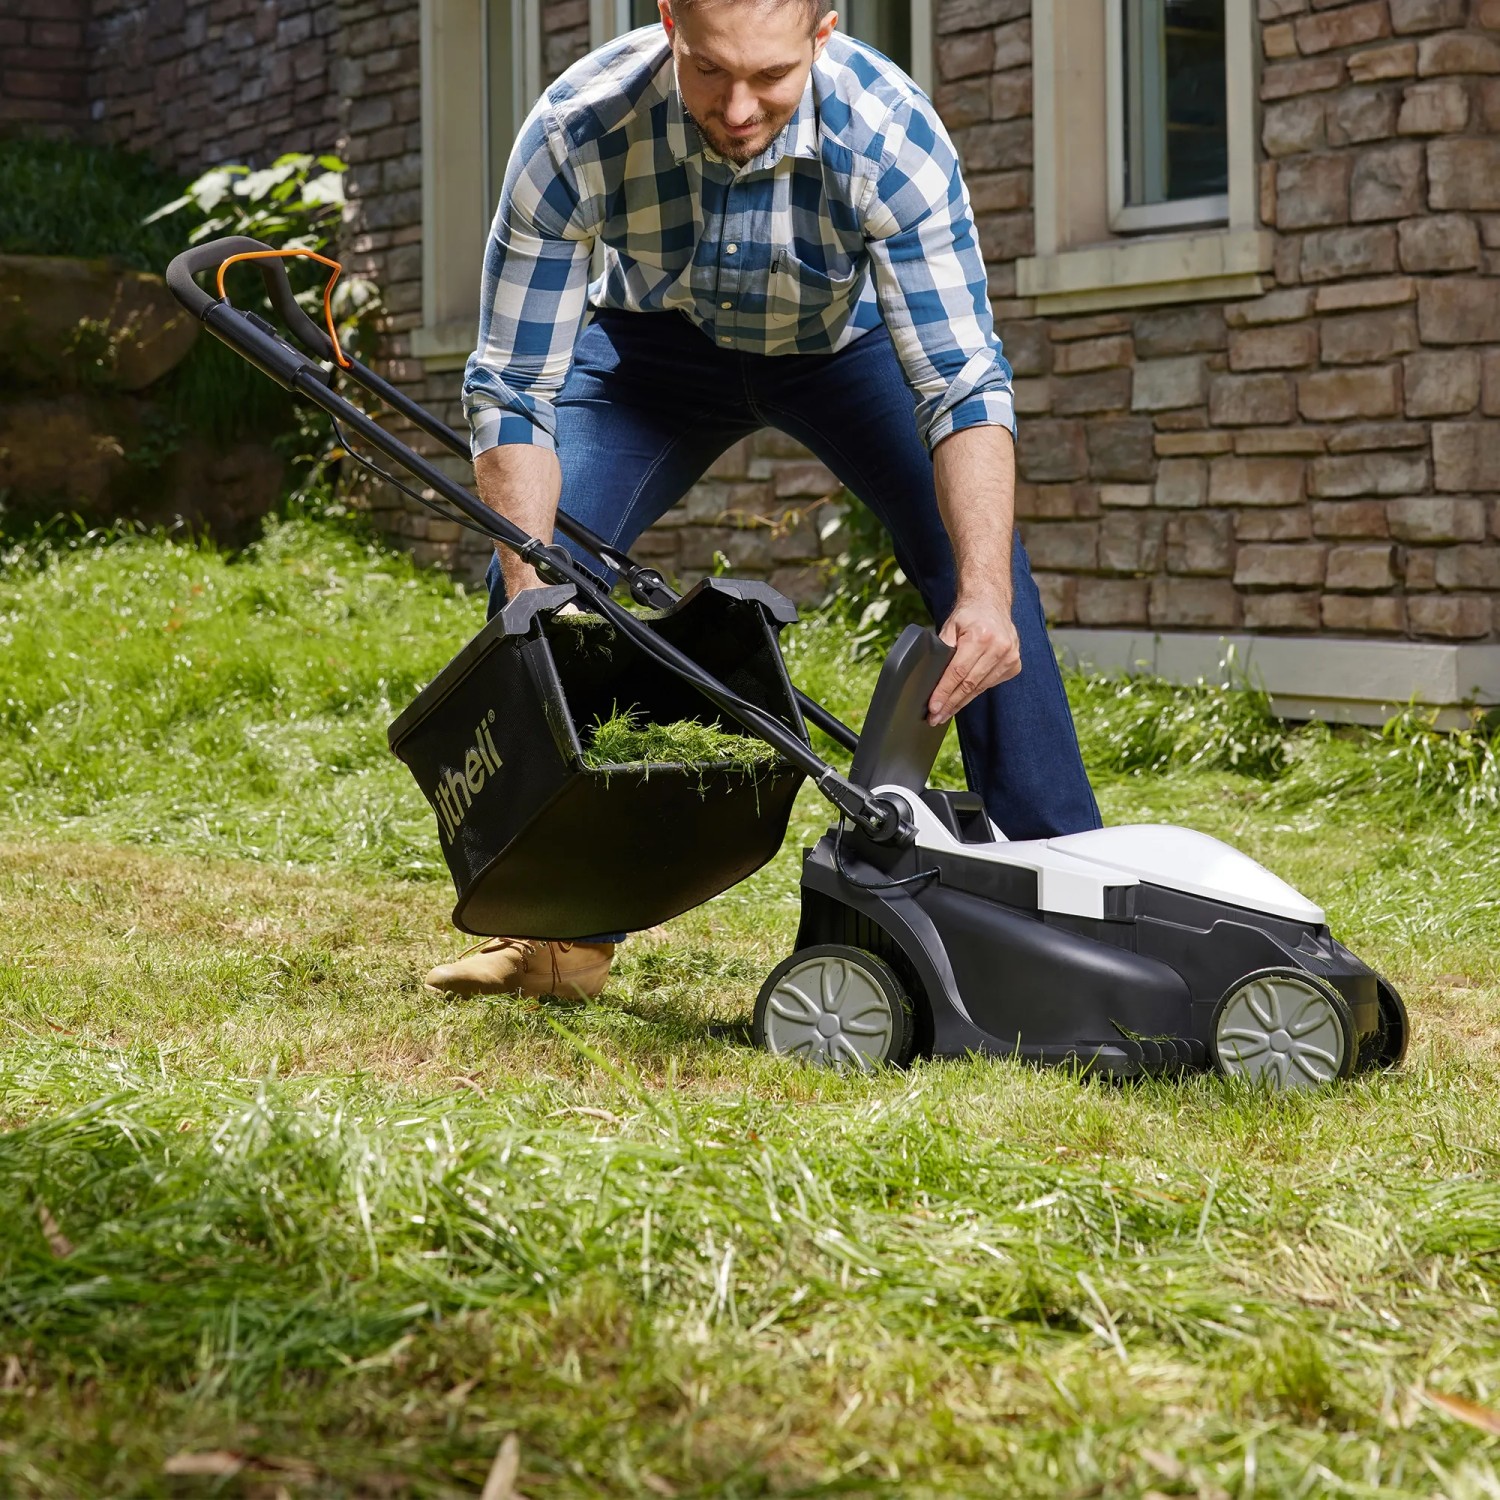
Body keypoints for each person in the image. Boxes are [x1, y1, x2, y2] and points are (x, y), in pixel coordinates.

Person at [423, 0, 1101, 1001]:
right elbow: (514, 386)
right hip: (653, 348)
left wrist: (986, 593)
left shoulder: (891, 135)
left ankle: (1071, 892)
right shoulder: (578, 129)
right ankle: (557, 938)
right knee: (538, 578)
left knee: (984, 583)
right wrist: (534, 589)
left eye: (772, 77)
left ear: (825, 32)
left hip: (844, 347)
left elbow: (962, 384)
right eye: (708, 72)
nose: (740, 107)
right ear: (665, 24)